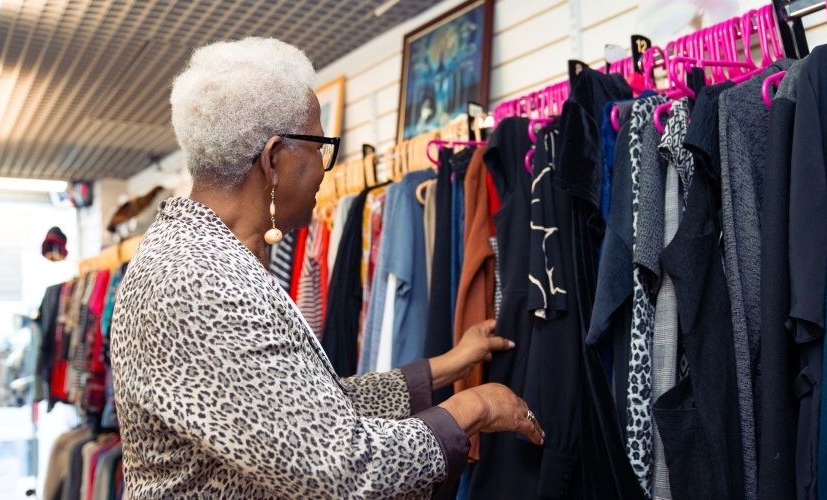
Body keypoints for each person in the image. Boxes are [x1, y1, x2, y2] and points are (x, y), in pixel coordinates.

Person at [111, 37, 543, 499]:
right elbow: (337, 468)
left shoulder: (198, 255)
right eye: (320, 146)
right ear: (274, 159)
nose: (324, 170)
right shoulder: (200, 280)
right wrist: (472, 407)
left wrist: (443, 367)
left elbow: (296, 414)